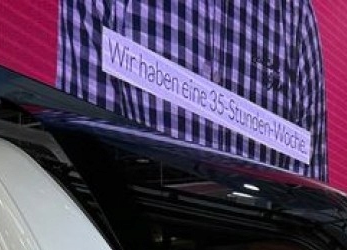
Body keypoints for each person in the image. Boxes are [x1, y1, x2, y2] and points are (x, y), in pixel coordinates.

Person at [56, 0, 327, 180]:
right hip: (131, 228)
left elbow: (308, 193)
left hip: (257, 238)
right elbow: (80, 148)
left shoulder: (294, 12)